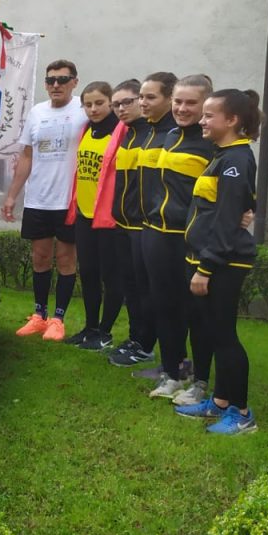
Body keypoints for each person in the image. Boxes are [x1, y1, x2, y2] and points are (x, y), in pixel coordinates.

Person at [175, 89, 261, 434]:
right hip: (208, 258)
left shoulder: (237, 160)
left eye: (210, 115)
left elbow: (226, 222)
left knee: (224, 336)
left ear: (233, 120)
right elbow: (217, 212)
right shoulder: (222, 156)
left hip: (224, 263)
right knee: (213, 331)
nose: (202, 120)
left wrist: (205, 267)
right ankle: (221, 401)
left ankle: (241, 413)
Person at [139, 75, 216, 403]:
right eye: (178, 102)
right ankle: (172, 372)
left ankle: (199, 382)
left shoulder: (212, 143)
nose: (183, 108)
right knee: (164, 307)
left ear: (205, 105)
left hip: (190, 242)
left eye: (191, 103)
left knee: (195, 313)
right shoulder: (168, 135)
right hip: (157, 235)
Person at [1, 59, 87, 340]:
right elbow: (27, 155)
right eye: (50, 80)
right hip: (38, 199)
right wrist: (12, 194)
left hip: (68, 201)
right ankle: (39, 315)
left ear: (74, 81)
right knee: (39, 258)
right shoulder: (37, 112)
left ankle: (58, 319)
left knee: (65, 260)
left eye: (62, 79)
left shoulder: (84, 111)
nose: (56, 85)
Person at [63, 81, 126, 350]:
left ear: (110, 102)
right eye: (88, 104)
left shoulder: (121, 131)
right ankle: (90, 327)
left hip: (109, 217)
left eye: (99, 103)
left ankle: (105, 331)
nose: (93, 109)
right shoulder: (87, 129)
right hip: (85, 214)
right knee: (88, 272)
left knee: (111, 276)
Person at [106, 79, 156, 365]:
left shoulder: (154, 133)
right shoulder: (128, 134)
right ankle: (136, 337)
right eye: (117, 104)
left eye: (128, 102)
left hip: (144, 225)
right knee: (131, 288)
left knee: (145, 290)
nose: (121, 108)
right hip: (123, 224)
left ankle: (146, 343)